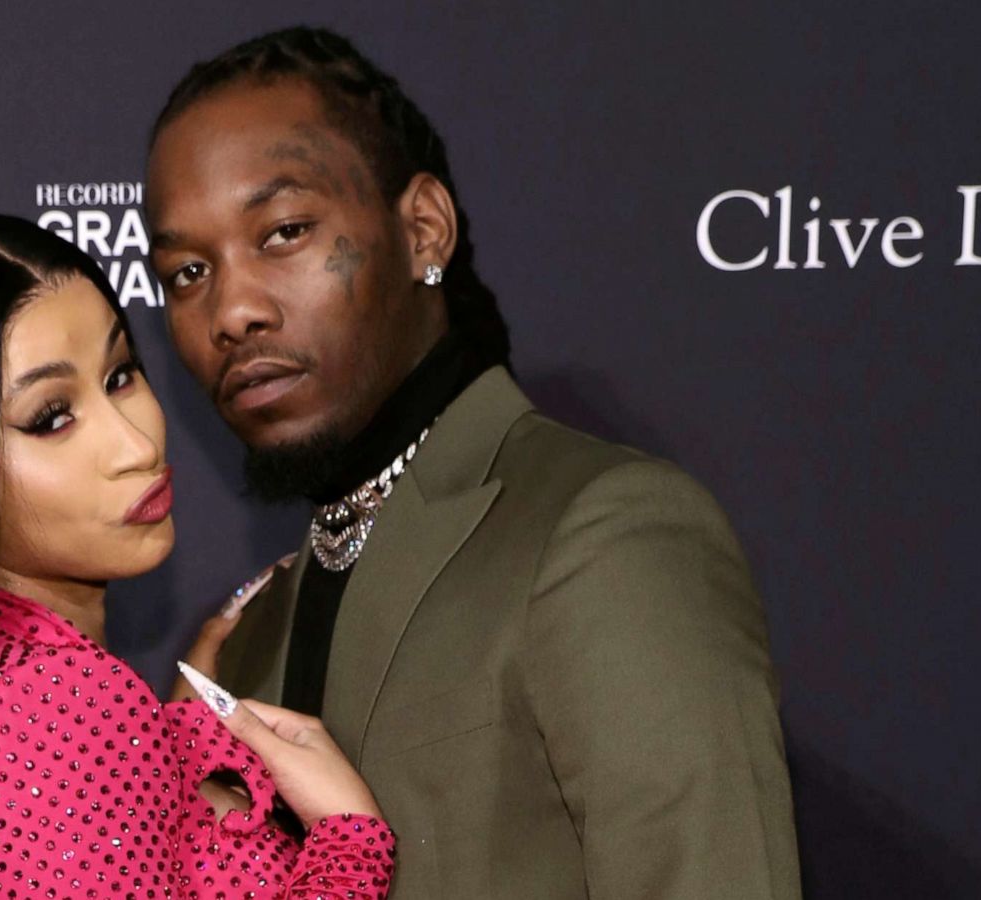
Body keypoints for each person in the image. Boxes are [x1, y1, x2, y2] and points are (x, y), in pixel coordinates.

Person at [147, 27, 803, 898]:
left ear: (423, 230)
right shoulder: (250, 639)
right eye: (188, 271)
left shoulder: (602, 534)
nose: (231, 311)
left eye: (285, 231)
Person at [0, 213, 396, 900]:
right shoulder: (52, 708)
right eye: (52, 417)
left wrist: (171, 749)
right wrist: (348, 846)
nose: (136, 444)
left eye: (120, 374)